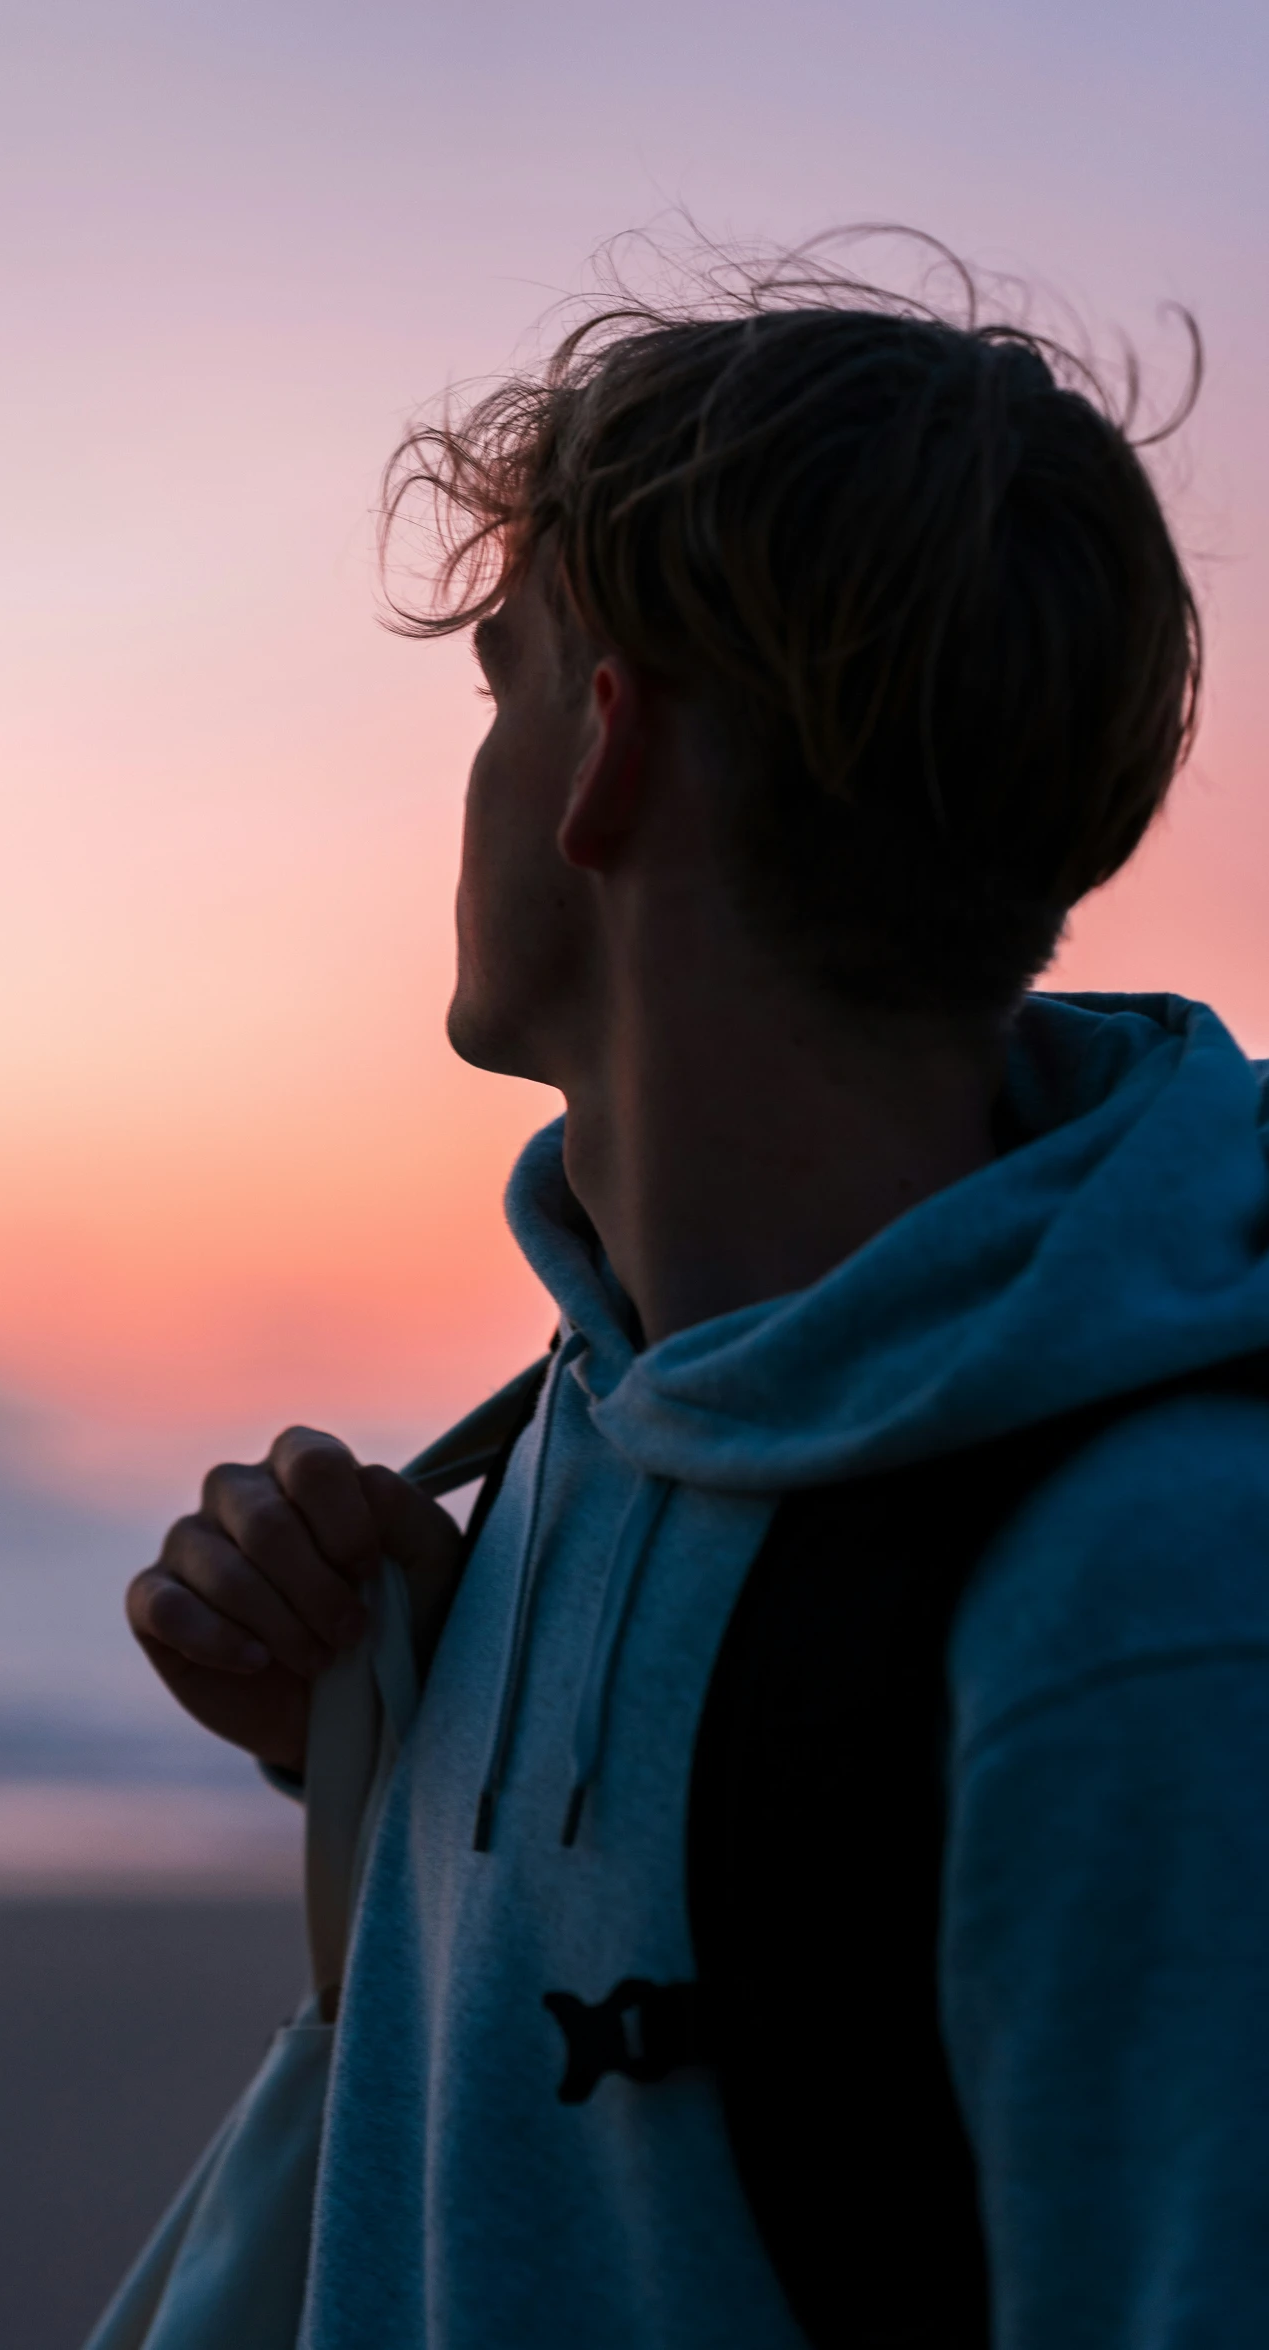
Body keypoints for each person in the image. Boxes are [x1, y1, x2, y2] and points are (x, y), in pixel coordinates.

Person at [125, 243, 1269, 2346]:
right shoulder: (593, 1404)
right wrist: (384, 1765)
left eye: (503, 677)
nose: (471, 774)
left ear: (606, 753)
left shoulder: (1154, 1607)